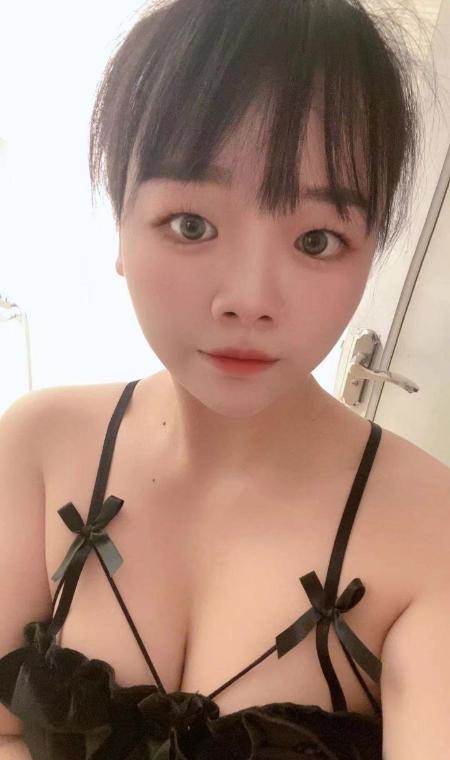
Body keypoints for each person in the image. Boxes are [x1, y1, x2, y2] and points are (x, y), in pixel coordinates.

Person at [0, 0, 449, 758]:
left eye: (316, 239)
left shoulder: (432, 533)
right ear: (121, 227)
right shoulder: (36, 446)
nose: (249, 299)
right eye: (192, 225)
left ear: (370, 251)